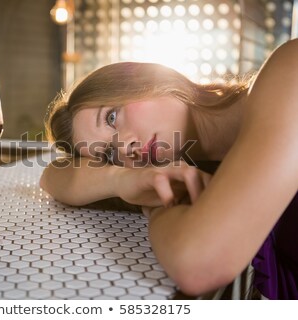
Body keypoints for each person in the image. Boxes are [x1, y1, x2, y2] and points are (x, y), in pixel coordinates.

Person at [40, 38, 298, 299]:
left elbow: (198, 265)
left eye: (111, 117)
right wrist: (120, 179)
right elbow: (52, 174)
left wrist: (153, 204)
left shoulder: (289, 71)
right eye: (109, 154)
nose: (125, 146)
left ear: (144, 78)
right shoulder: (210, 179)